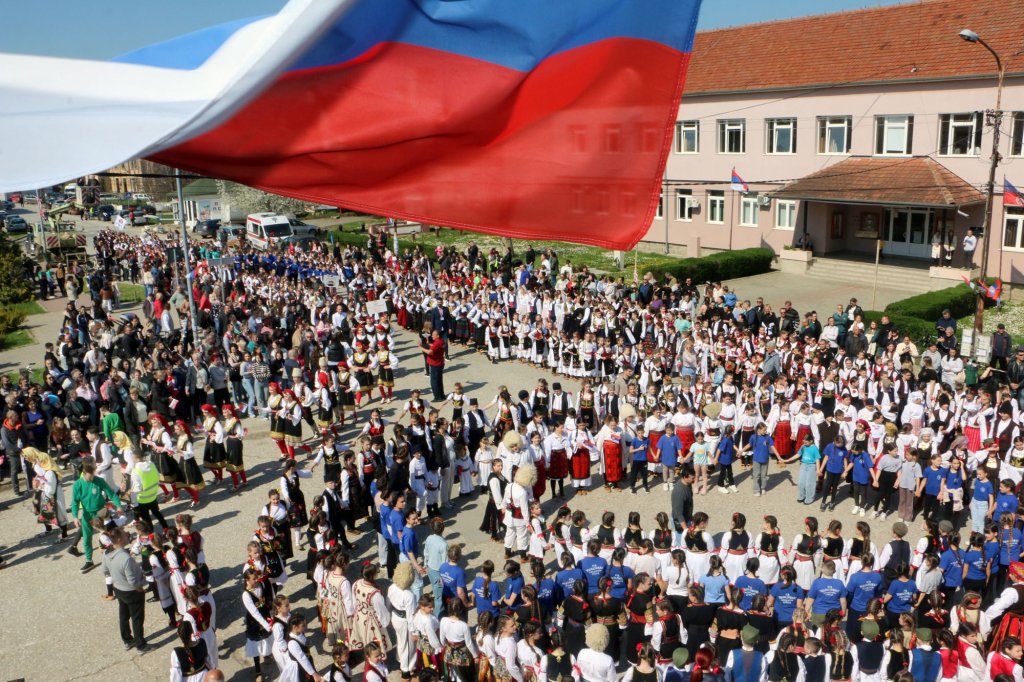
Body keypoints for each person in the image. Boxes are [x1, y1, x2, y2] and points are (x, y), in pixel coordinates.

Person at [68, 457, 123, 572]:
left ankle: (118, 555)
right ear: (90, 469)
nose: (97, 466)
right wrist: (75, 517)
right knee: (87, 538)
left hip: (102, 513)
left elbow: (111, 494)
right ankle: (89, 561)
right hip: (87, 515)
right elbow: (75, 502)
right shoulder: (78, 484)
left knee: (111, 535)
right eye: (95, 465)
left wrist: (118, 505)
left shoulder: (99, 481)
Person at [102, 527, 148, 652]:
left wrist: (116, 576)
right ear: (119, 539)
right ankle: (141, 645)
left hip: (118, 589)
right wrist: (140, 589)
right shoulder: (125, 558)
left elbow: (105, 570)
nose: (127, 535)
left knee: (124, 615)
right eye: (124, 534)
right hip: (132, 592)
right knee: (137, 618)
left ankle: (127, 640)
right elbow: (133, 582)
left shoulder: (107, 553)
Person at [420, 329, 446, 401]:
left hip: (435, 364)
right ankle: (441, 395)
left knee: (434, 382)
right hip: (439, 363)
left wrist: (420, 347)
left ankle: (437, 397)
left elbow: (430, 352)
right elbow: (434, 346)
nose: (432, 336)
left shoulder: (437, 343)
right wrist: (429, 344)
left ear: (437, 336)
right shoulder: (440, 341)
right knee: (439, 381)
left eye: (433, 335)